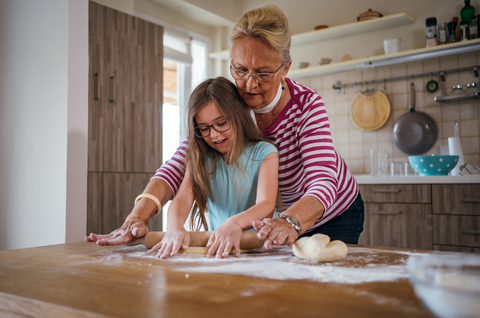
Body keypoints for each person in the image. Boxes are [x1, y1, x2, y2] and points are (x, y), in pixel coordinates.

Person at [86, 4, 364, 251]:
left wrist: (289, 220)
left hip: (333, 213)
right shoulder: (230, 106)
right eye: (240, 70)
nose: (249, 84)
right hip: (279, 221)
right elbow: (177, 166)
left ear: (285, 68)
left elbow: (323, 181)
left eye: (263, 73)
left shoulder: (307, 106)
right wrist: (138, 216)